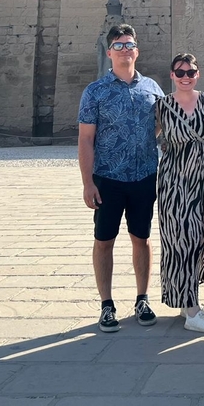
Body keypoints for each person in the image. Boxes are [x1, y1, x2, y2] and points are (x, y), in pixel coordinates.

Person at [78, 24, 163, 333]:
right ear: (109, 52)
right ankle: (107, 304)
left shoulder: (152, 88)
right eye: (119, 44)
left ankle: (142, 298)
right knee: (104, 240)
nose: (125, 49)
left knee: (142, 238)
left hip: (143, 176)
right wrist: (88, 183)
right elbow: (86, 139)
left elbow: (162, 125)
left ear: (136, 51)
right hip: (108, 178)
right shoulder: (95, 91)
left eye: (130, 44)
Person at [155, 53, 204, 334]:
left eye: (190, 72)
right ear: (171, 75)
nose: (185, 76)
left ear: (197, 74)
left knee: (198, 238)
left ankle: (185, 297)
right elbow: (146, 136)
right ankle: (193, 310)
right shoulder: (161, 106)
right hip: (174, 182)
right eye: (180, 72)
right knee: (181, 237)